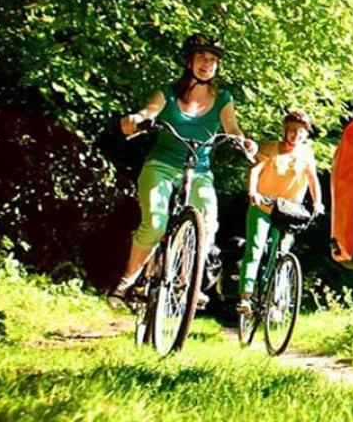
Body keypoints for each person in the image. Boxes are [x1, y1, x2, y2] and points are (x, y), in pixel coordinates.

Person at [108, 33, 257, 308]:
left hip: (199, 170)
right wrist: (137, 120)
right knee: (155, 224)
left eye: (213, 60)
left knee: (208, 224)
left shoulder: (223, 98)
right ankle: (128, 279)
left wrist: (244, 142)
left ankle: (186, 281)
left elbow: (232, 129)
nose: (207, 64)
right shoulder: (168, 93)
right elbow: (148, 112)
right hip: (162, 166)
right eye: (202, 57)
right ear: (189, 61)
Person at [237, 110, 323, 316]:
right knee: (255, 248)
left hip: (288, 210)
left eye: (300, 132)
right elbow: (256, 170)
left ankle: (276, 299)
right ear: (285, 130)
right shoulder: (271, 148)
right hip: (263, 205)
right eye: (292, 130)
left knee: (282, 252)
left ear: (306, 135)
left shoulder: (306, 155)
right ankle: (245, 297)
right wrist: (253, 192)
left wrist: (318, 203)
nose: (295, 135)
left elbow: (313, 180)